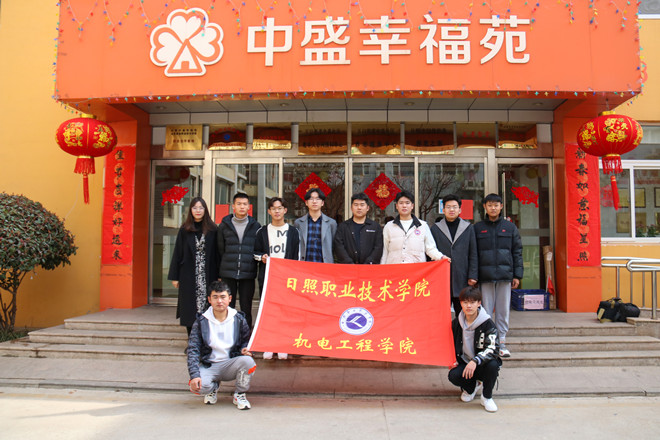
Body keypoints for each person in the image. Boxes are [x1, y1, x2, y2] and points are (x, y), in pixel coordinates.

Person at [187, 280, 256, 410]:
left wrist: (245, 349)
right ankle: (213, 387)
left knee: (248, 362)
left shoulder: (239, 319)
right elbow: (193, 349)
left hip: (230, 364)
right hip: (209, 365)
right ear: (209, 299)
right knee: (197, 387)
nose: (219, 301)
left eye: (223, 297)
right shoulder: (201, 321)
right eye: (215, 297)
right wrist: (194, 375)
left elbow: (245, 341)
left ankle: (240, 394)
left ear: (230, 298)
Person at [474, 193, 523, 358]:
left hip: (505, 276)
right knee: (486, 311)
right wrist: (474, 275)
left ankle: (502, 342)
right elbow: (474, 254)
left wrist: (517, 275)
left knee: (503, 311)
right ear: (485, 207)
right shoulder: (478, 228)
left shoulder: (510, 228)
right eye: (490, 205)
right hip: (485, 276)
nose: (493, 208)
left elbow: (517, 252)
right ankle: (489, 343)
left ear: (501, 206)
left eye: (496, 205)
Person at [254, 197, 300, 360]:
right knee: (269, 311)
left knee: (285, 311)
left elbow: (297, 257)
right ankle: (269, 345)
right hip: (268, 277)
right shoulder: (262, 231)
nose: (277, 211)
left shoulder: (293, 232)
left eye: (280, 208)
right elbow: (255, 252)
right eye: (274, 208)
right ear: (269, 211)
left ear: (285, 210)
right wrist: (261, 257)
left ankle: (282, 345)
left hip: (286, 278)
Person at [168, 197, 219, 336]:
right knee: (189, 307)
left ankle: (205, 340)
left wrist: (219, 275)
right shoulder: (185, 229)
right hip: (188, 274)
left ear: (205, 210)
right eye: (195, 208)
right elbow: (178, 253)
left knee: (207, 307)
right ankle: (192, 340)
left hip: (207, 273)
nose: (198, 211)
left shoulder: (213, 229)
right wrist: (175, 276)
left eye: (201, 208)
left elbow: (218, 253)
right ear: (190, 210)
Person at [448, 286, 502, 413]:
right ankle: (471, 388)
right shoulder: (456, 323)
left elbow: (493, 348)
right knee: (453, 375)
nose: (468, 306)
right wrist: (451, 359)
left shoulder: (488, 324)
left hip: (482, 364)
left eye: (472, 302)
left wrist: (476, 360)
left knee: (493, 365)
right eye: (465, 302)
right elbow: (448, 342)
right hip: (465, 363)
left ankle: (487, 397)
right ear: (460, 303)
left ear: (479, 303)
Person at [217, 193, 261, 328]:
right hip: (228, 272)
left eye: (245, 204)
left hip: (247, 273)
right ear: (233, 206)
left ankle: (245, 335)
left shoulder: (255, 226)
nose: (242, 207)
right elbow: (220, 249)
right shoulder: (224, 225)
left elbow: (257, 248)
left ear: (249, 207)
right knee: (226, 306)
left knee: (246, 307)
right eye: (239, 204)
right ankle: (227, 333)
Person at [430, 194, 478, 314]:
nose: (451, 210)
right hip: (442, 277)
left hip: (462, 276)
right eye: (448, 207)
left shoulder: (468, 228)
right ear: (443, 210)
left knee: (462, 312)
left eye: (454, 207)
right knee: (441, 312)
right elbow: (430, 252)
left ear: (460, 210)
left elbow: (473, 253)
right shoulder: (435, 229)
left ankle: (461, 328)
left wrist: (473, 275)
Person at [381, 190, 448, 264]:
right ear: (396, 206)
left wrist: (441, 257)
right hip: (394, 268)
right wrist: (382, 268)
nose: (404, 206)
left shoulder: (422, 226)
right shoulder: (389, 226)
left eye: (407, 203)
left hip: (417, 269)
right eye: (401, 203)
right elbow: (385, 252)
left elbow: (430, 249)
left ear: (412, 206)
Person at [333, 193, 383, 264]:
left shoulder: (375, 227)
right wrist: (349, 263)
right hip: (347, 268)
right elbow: (339, 247)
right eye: (356, 205)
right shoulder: (343, 227)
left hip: (370, 267)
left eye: (362, 205)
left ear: (367, 208)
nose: (359, 208)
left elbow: (378, 247)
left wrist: (368, 263)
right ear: (351, 208)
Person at [294, 188, 337, 263]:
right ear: (306, 203)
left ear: (322, 203)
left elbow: (334, 246)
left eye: (318, 199)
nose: (314, 201)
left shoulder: (331, 223)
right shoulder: (298, 223)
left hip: (324, 265)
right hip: (304, 264)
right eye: (311, 199)